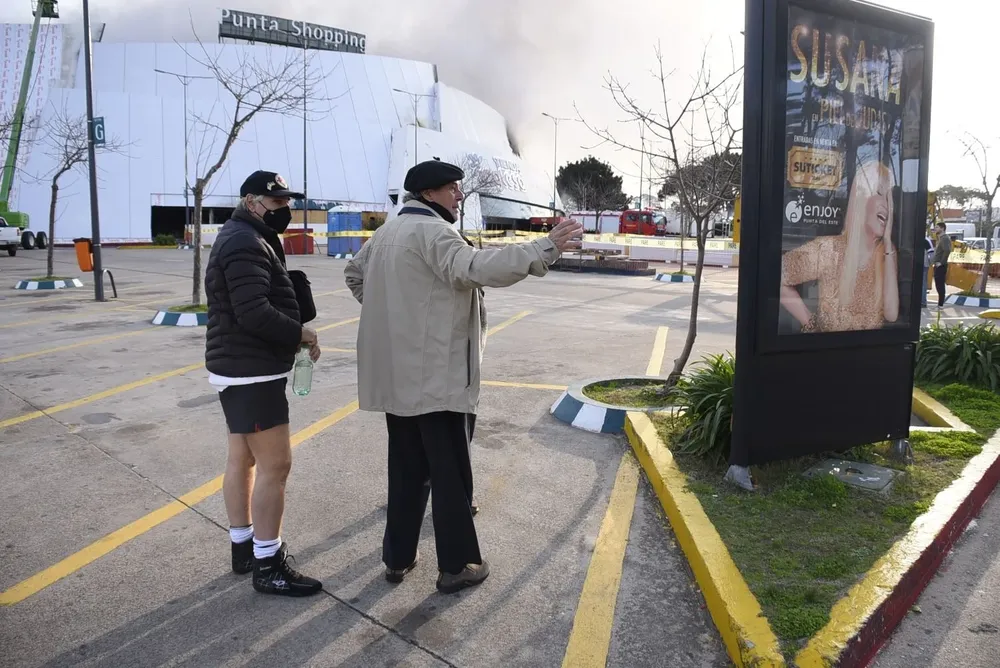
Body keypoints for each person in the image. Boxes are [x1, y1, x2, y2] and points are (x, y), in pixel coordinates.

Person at [344, 159, 583, 594]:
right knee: (451, 474)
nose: (458, 196)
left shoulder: (386, 233)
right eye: (453, 189)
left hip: (399, 377)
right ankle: (457, 566)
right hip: (436, 377)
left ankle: (397, 559)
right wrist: (543, 248)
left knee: (405, 469)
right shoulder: (434, 231)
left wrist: (396, 314)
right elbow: (474, 267)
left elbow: (354, 275)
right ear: (429, 194)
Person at [205, 170, 323, 597]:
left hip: (241, 367)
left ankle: (244, 548)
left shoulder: (247, 235)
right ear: (252, 201)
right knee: (276, 466)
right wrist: (301, 334)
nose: (285, 210)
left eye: (287, 202)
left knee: (242, 460)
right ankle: (269, 565)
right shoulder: (244, 241)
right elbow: (252, 311)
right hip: (249, 371)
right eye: (276, 204)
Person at [780, 158, 899, 332]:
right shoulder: (828, 249)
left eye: (890, 198)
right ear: (862, 198)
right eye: (881, 193)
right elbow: (776, 278)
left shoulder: (886, 254)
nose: (888, 206)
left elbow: (891, 314)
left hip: (870, 353)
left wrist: (888, 243)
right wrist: (810, 323)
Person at [932, 222, 952, 309]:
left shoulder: (944, 238)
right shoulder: (940, 238)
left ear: (942, 228)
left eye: (937, 227)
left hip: (941, 266)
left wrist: (941, 262)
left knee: (940, 284)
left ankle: (940, 304)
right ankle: (939, 303)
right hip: (937, 265)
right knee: (938, 284)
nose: (935, 229)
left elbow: (947, 250)